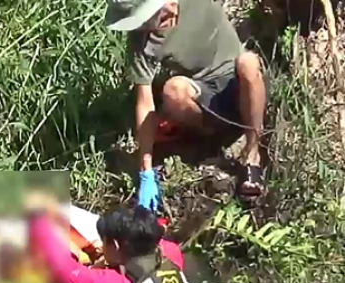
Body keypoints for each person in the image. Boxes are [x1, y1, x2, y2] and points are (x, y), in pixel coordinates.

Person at [105, 0, 269, 209]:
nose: (146, 27)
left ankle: (252, 153)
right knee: (173, 90)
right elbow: (144, 104)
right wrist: (146, 172)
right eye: (142, 22)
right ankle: (214, 136)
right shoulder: (141, 42)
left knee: (248, 62)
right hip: (206, 94)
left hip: (241, 85)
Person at [25, 192, 190, 283]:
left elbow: (64, 270)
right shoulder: (173, 255)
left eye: (104, 242)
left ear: (116, 246)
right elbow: (163, 239)